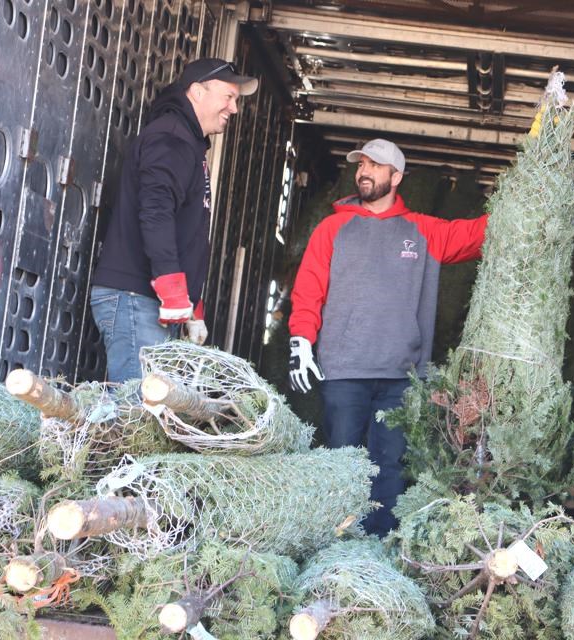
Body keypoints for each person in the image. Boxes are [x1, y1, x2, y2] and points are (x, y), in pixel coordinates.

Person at [288, 138, 488, 536]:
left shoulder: (423, 231)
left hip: (401, 376)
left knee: (389, 466)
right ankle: (334, 543)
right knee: (341, 460)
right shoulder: (333, 228)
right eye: (361, 164)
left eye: (375, 166)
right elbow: (309, 288)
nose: (364, 171)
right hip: (343, 370)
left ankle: (381, 547)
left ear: (396, 177)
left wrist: (522, 200)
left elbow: (478, 234)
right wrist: (300, 342)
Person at [90, 58, 257, 382]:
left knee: (145, 412)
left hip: (146, 301)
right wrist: (172, 287)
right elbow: (156, 212)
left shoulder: (187, 142)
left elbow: (182, 229)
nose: (234, 108)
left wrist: (191, 302)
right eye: (228, 96)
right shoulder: (172, 138)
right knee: (136, 414)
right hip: (136, 299)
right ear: (197, 92)